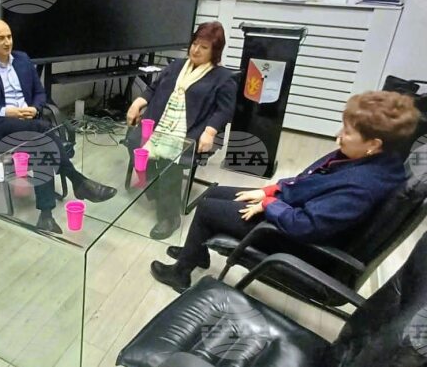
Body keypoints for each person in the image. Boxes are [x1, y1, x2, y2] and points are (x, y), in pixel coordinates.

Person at [150, 91, 421, 292]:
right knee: (213, 194)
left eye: (348, 132)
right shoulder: (370, 159)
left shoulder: (361, 187)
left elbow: (305, 225)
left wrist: (270, 204)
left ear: (374, 144)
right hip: (297, 210)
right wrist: (272, 190)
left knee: (208, 209)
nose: (338, 136)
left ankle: (180, 274)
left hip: (298, 240)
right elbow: (311, 181)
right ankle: (196, 254)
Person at [0, 18, 117, 233]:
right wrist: (6, 111)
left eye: (9, 37)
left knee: (41, 145)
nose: (7, 42)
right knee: (43, 130)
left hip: (29, 123)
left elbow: (39, 93)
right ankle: (78, 180)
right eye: (0, 38)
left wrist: (35, 108)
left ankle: (46, 216)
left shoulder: (23, 60)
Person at [125, 21, 237, 239]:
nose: (196, 50)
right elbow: (153, 88)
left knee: (169, 160)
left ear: (214, 52)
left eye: (204, 47)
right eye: (195, 44)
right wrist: (137, 103)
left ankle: (169, 216)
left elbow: (225, 110)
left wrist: (210, 131)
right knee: (134, 143)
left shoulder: (223, 77)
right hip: (157, 124)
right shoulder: (176, 65)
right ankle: (156, 190)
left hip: (189, 131)